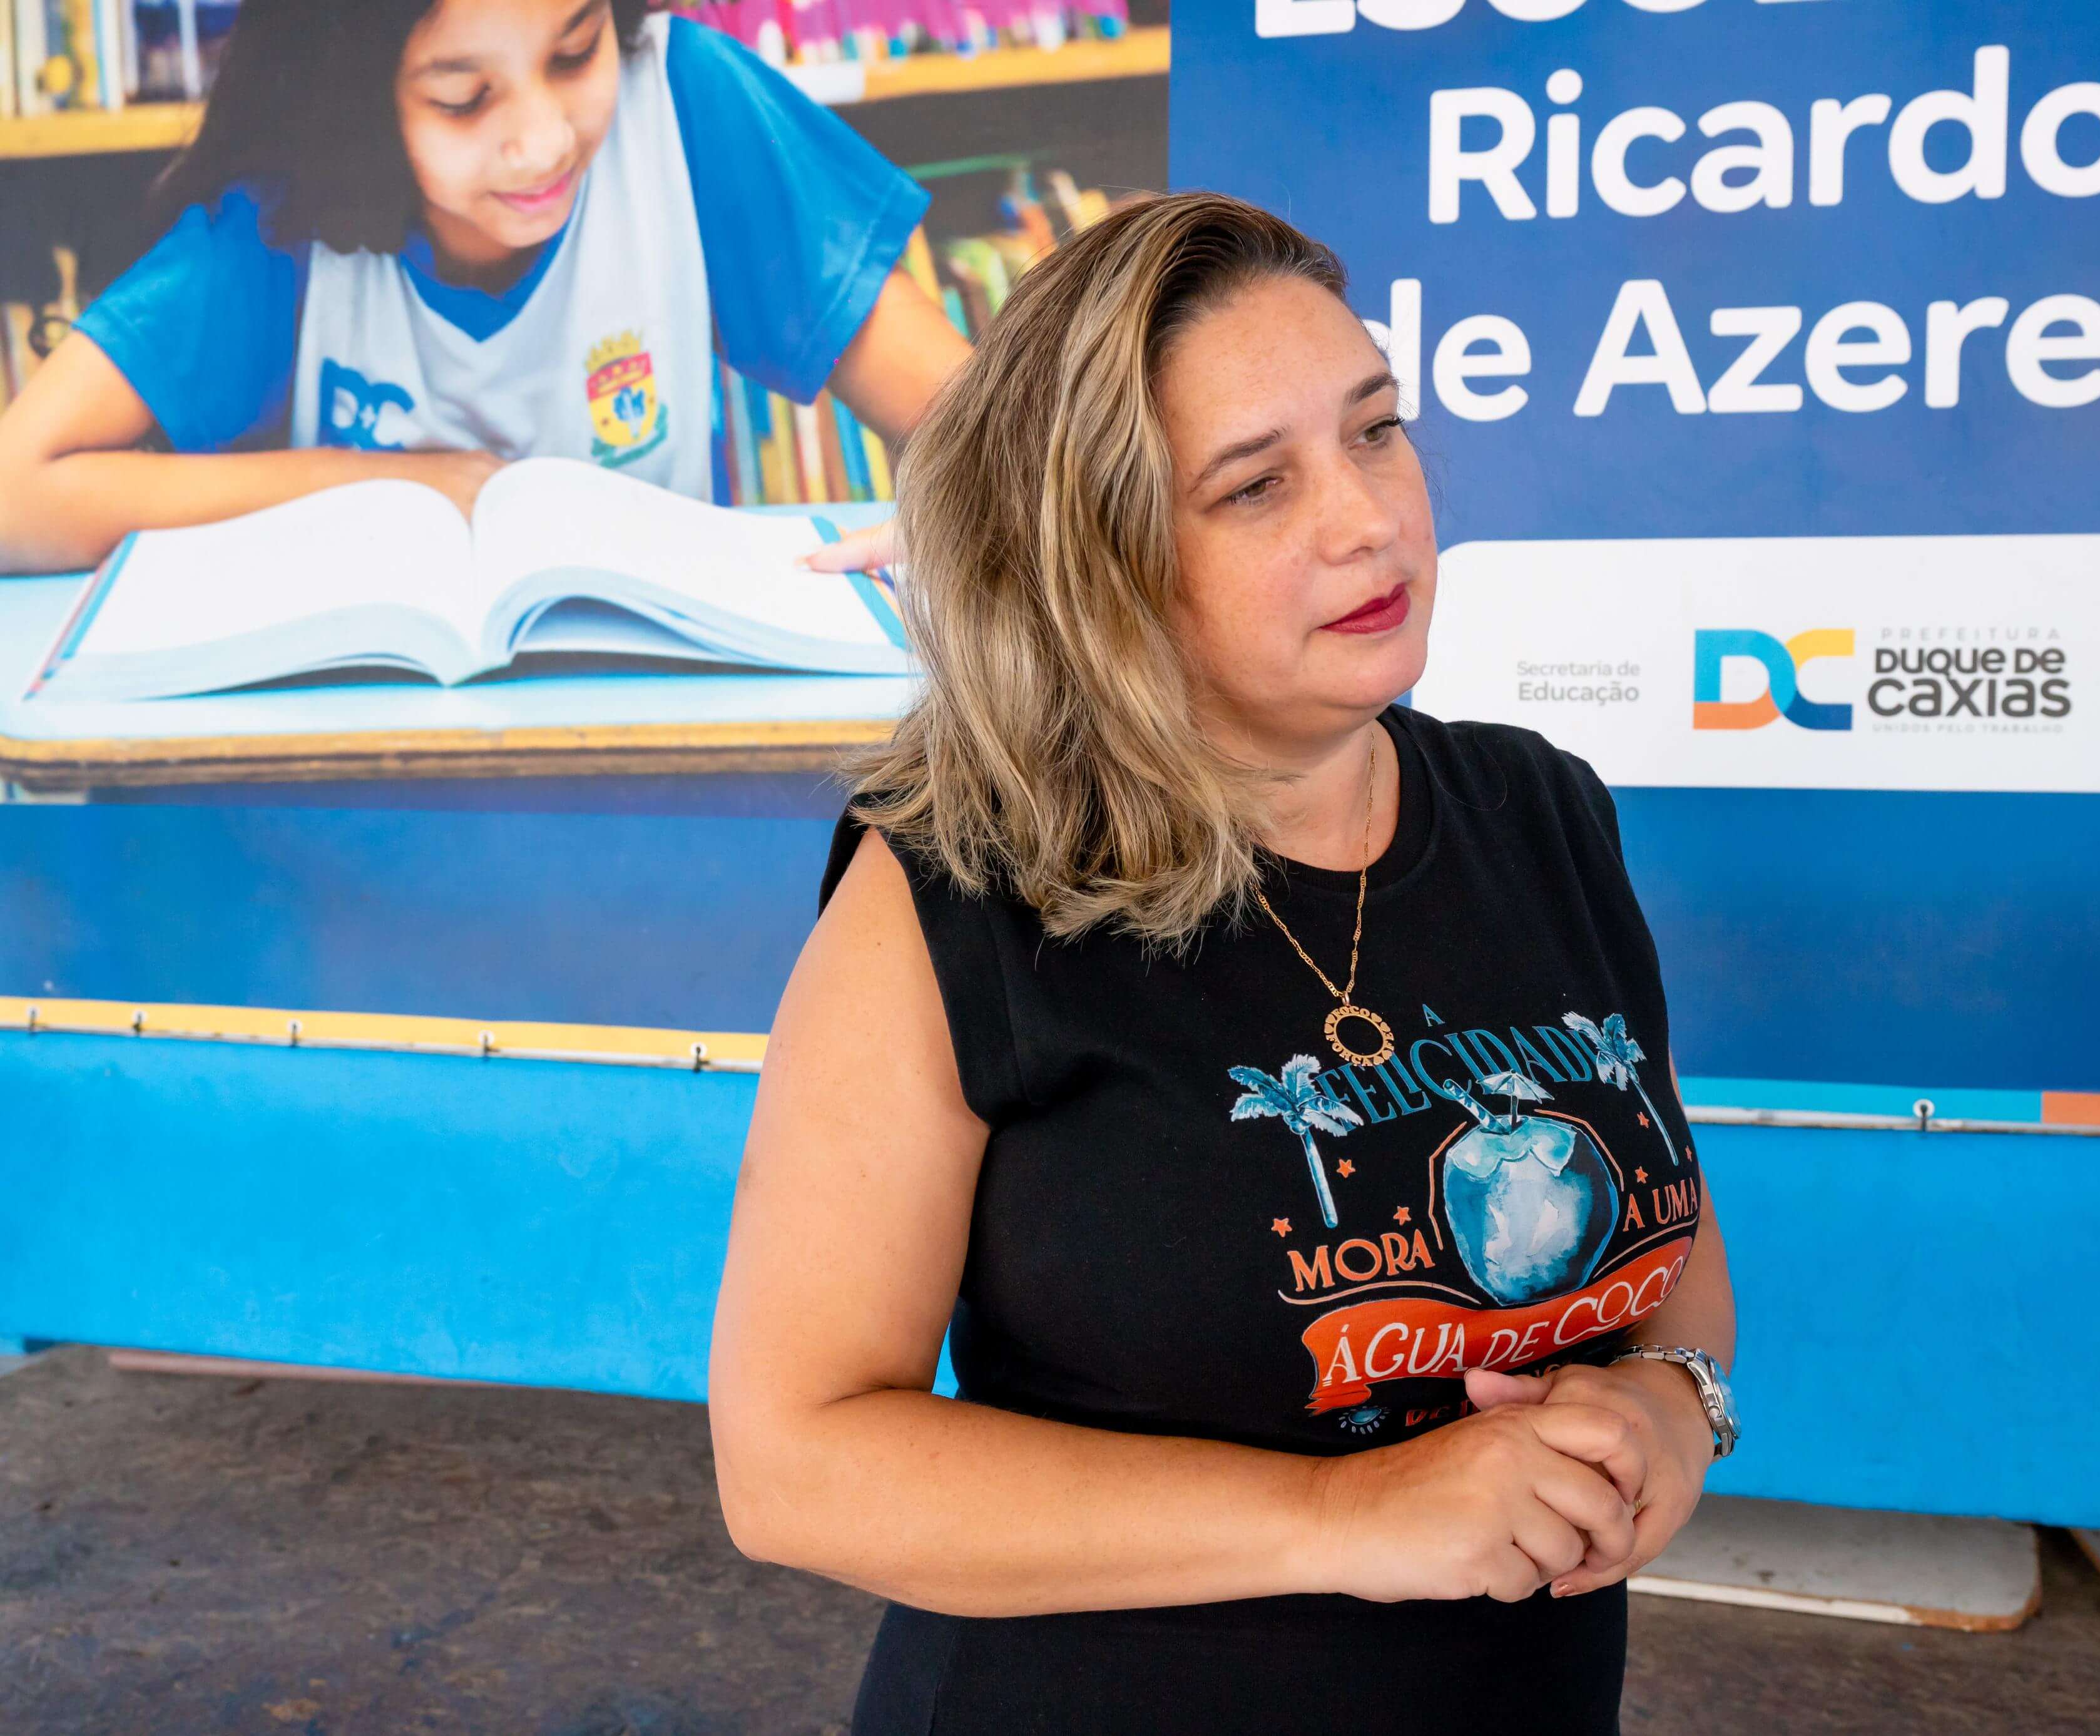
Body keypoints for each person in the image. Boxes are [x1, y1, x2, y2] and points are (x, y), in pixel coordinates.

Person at [706, 192, 1740, 1736]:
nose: (1367, 518)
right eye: (1256, 486)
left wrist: (1667, 1407)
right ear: (1101, 559)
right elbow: (793, 1464)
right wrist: (1347, 1515)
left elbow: (1677, 1278)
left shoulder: (1541, 812)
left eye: (1376, 430)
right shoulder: (958, 887)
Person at [0, 0, 966, 574]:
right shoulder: (283, 222)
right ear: (354, 103)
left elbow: (986, 434)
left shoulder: (685, 104)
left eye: (576, 52)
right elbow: (15, 492)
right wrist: (396, 485)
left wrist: (970, 531)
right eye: (464, 100)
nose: (543, 143)